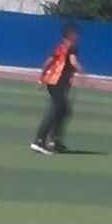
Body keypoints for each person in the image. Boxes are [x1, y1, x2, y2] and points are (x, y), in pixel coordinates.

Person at [31, 25, 82, 155]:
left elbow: (48, 62)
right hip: (57, 83)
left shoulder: (60, 47)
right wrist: (83, 73)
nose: (78, 36)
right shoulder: (71, 48)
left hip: (53, 83)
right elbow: (73, 62)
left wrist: (42, 77)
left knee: (64, 110)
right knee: (56, 111)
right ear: (70, 35)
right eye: (75, 34)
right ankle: (39, 141)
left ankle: (54, 140)